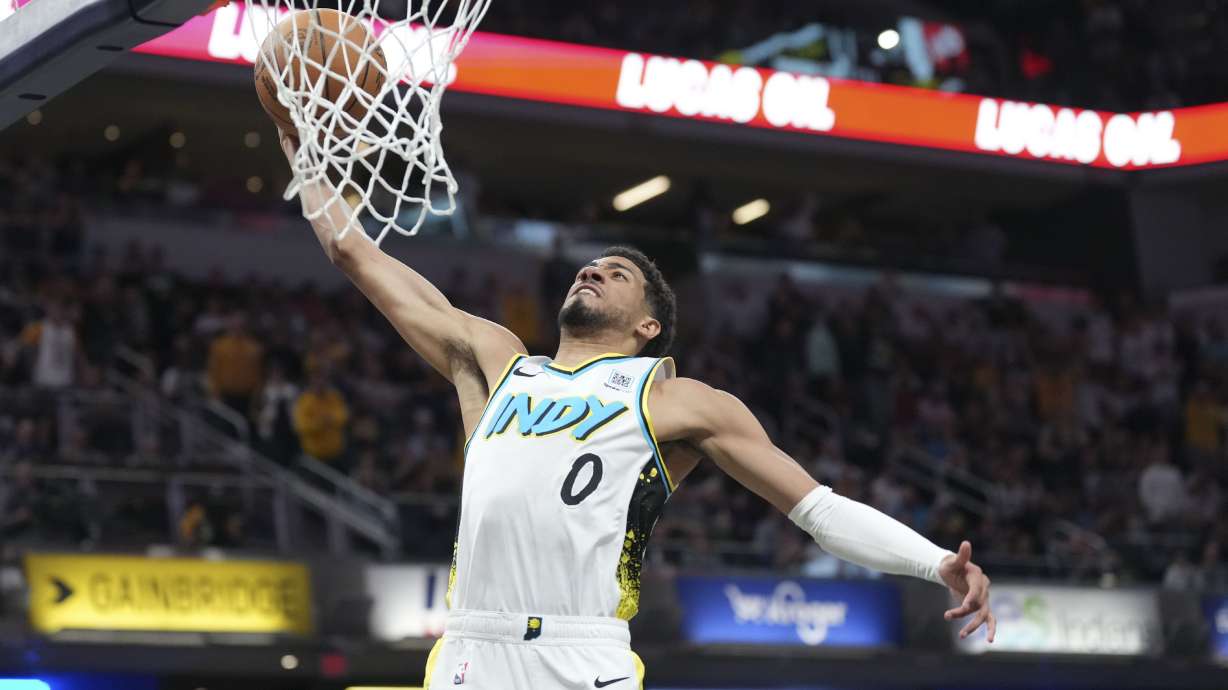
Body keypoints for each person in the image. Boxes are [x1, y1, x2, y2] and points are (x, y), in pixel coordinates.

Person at [279, 134, 994, 690]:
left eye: (617, 273)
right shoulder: (497, 362)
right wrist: (301, 141)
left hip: (582, 652)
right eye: (591, 265)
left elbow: (820, 511)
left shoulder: (673, 398)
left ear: (649, 326)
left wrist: (936, 563)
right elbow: (351, 250)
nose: (592, 269)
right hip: (472, 648)